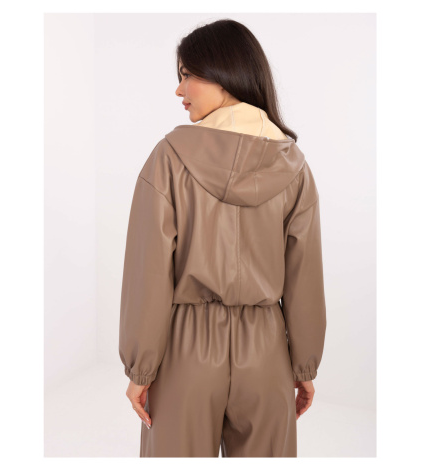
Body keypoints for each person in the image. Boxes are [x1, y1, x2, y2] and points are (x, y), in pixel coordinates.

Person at [119, 18, 327, 458]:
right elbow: (304, 274)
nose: (179, 90)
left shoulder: (169, 158)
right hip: (267, 353)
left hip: (186, 353)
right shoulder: (293, 165)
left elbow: (148, 272)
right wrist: (304, 364)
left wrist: (141, 369)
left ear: (224, 72)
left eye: (187, 75)